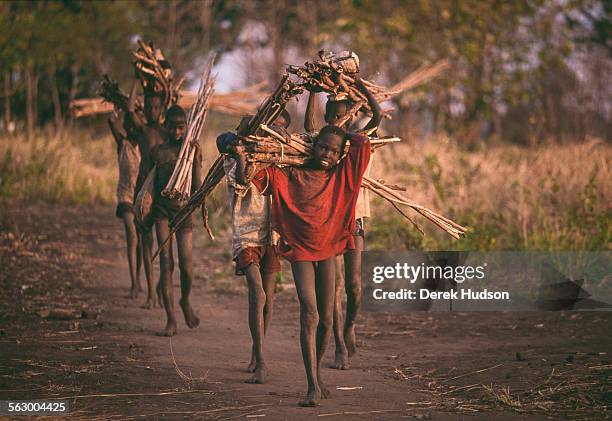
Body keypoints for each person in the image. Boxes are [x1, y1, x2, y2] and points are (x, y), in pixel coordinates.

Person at [227, 124, 370, 406]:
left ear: (341, 154)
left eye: (333, 150)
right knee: (310, 313)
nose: (326, 153)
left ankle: (317, 371)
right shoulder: (290, 176)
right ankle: (312, 384)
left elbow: (363, 144)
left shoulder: (343, 176)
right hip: (301, 252)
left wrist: (339, 135)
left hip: (328, 251)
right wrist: (243, 155)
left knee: (328, 319)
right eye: (322, 147)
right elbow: (250, 177)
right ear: (313, 147)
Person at [304, 77, 382, 369]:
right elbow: (310, 125)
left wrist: (361, 89)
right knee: (335, 287)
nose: (339, 119)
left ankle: (349, 325)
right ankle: (338, 346)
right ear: (327, 116)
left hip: (356, 217)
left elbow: (377, 117)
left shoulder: (359, 140)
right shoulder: (325, 144)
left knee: (354, 285)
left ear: (353, 112)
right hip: (331, 220)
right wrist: (313, 90)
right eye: (333, 115)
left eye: (343, 113)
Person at [150, 105, 202, 336]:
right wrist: (144, 213)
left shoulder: (190, 153)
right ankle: (171, 318)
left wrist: (197, 159)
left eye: (181, 128)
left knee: (187, 266)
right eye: (172, 128)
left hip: (184, 212)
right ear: (165, 127)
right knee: (166, 263)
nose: (176, 133)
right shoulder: (157, 152)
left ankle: (185, 300)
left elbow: (198, 187)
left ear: (187, 128)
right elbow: (147, 184)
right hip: (161, 211)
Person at [125, 80, 166, 309]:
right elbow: (130, 110)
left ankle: (159, 290)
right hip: (143, 192)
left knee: (164, 249)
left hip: (161, 193)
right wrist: (136, 78)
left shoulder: (166, 131)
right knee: (146, 242)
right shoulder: (142, 130)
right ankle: (151, 294)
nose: (151, 111)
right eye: (148, 107)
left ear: (161, 110)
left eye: (156, 108)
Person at [107, 110, 143, 299]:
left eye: (133, 125)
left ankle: (138, 278)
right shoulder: (123, 144)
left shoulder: (146, 144)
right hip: (125, 196)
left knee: (140, 242)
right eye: (128, 126)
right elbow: (111, 121)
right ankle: (134, 284)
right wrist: (119, 109)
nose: (130, 129)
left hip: (142, 198)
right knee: (131, 233)